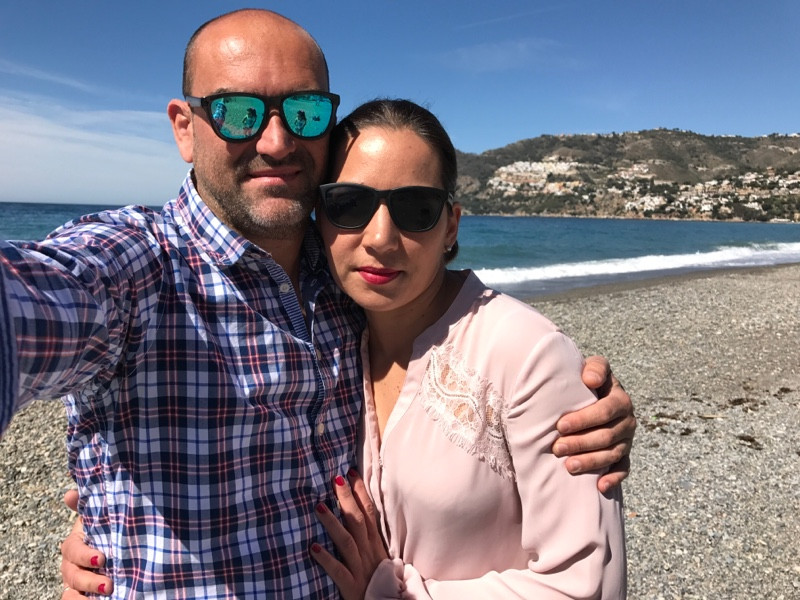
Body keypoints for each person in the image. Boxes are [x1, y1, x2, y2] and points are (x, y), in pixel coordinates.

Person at [0, 9, 633, 599]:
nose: (276, 141)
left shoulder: (345, 283)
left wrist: (567, 398)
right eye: (238, 112)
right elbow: (39, 301)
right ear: (185, 128)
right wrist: (104, 514)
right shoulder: (138, 268)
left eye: (303, 113)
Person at [307, 99, 626, 598]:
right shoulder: (329, 331)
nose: (381, 238)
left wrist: (391, 592)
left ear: (451, 226)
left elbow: (587, 584)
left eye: (416, 209)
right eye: (349, 204)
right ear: (319, 217)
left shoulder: (525, 352)